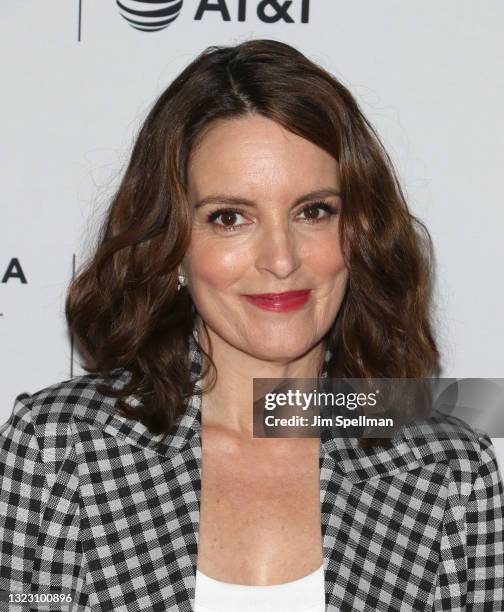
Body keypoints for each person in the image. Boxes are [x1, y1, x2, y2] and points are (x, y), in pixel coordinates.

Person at [1, 39, 503, 612]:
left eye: (313, 211)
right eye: (230, 218)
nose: (281, 259)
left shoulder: (450, 470)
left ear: (359, 233)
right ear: (172, 249)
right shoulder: (58, 447)